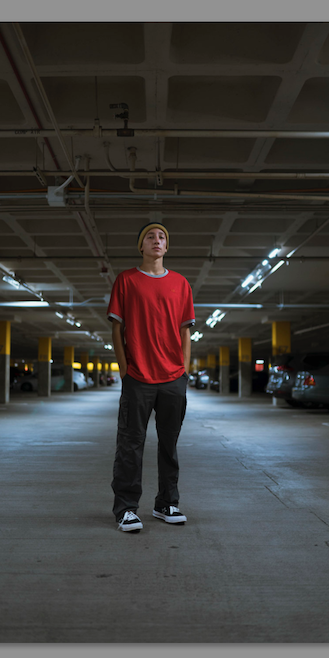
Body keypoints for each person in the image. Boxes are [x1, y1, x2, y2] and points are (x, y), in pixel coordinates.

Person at [107, 222, 195, 532]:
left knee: (169, 444)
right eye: (149, 236)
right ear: (141, 246)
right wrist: (124, 368)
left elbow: (185, 331)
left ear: (166, 247)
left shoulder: (181, 284)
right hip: (138, 377)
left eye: (161, 237)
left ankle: (166, 503)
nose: (156, 240)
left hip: (173, 378)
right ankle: (126, 508)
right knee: (131, 444)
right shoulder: (126, 280)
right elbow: (117, 328)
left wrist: (184, 369)